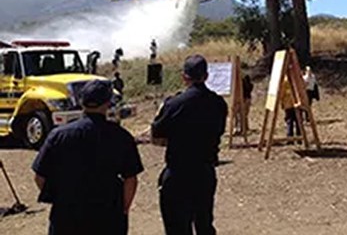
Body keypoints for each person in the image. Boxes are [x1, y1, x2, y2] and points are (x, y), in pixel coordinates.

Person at [31, 80, 144, 235]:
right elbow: (131, 179)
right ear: (107, 103)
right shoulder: (121, 137)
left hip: (67, 216)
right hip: (108, 215)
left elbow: (39, 176)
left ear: (81, 102)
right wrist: (123, 209)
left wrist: (61, 199)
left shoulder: (59, 135)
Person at [151, 55, 228, 235]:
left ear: (184, 77)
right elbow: (219, 132)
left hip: (178, 173)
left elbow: (156, 137)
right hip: (205, 171)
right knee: (204, 224)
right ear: (206, 76)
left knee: (177, 227)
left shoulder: (174, 104)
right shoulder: (218, 103)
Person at [281, 76, 300, 141]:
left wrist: (282, 102)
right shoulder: (296, 78)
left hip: (288, 104)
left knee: (290, 121)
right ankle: (299, 137)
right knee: (298, 121)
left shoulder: (285, 80)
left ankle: (290, 138)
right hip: (297, 103)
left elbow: (282, 93)